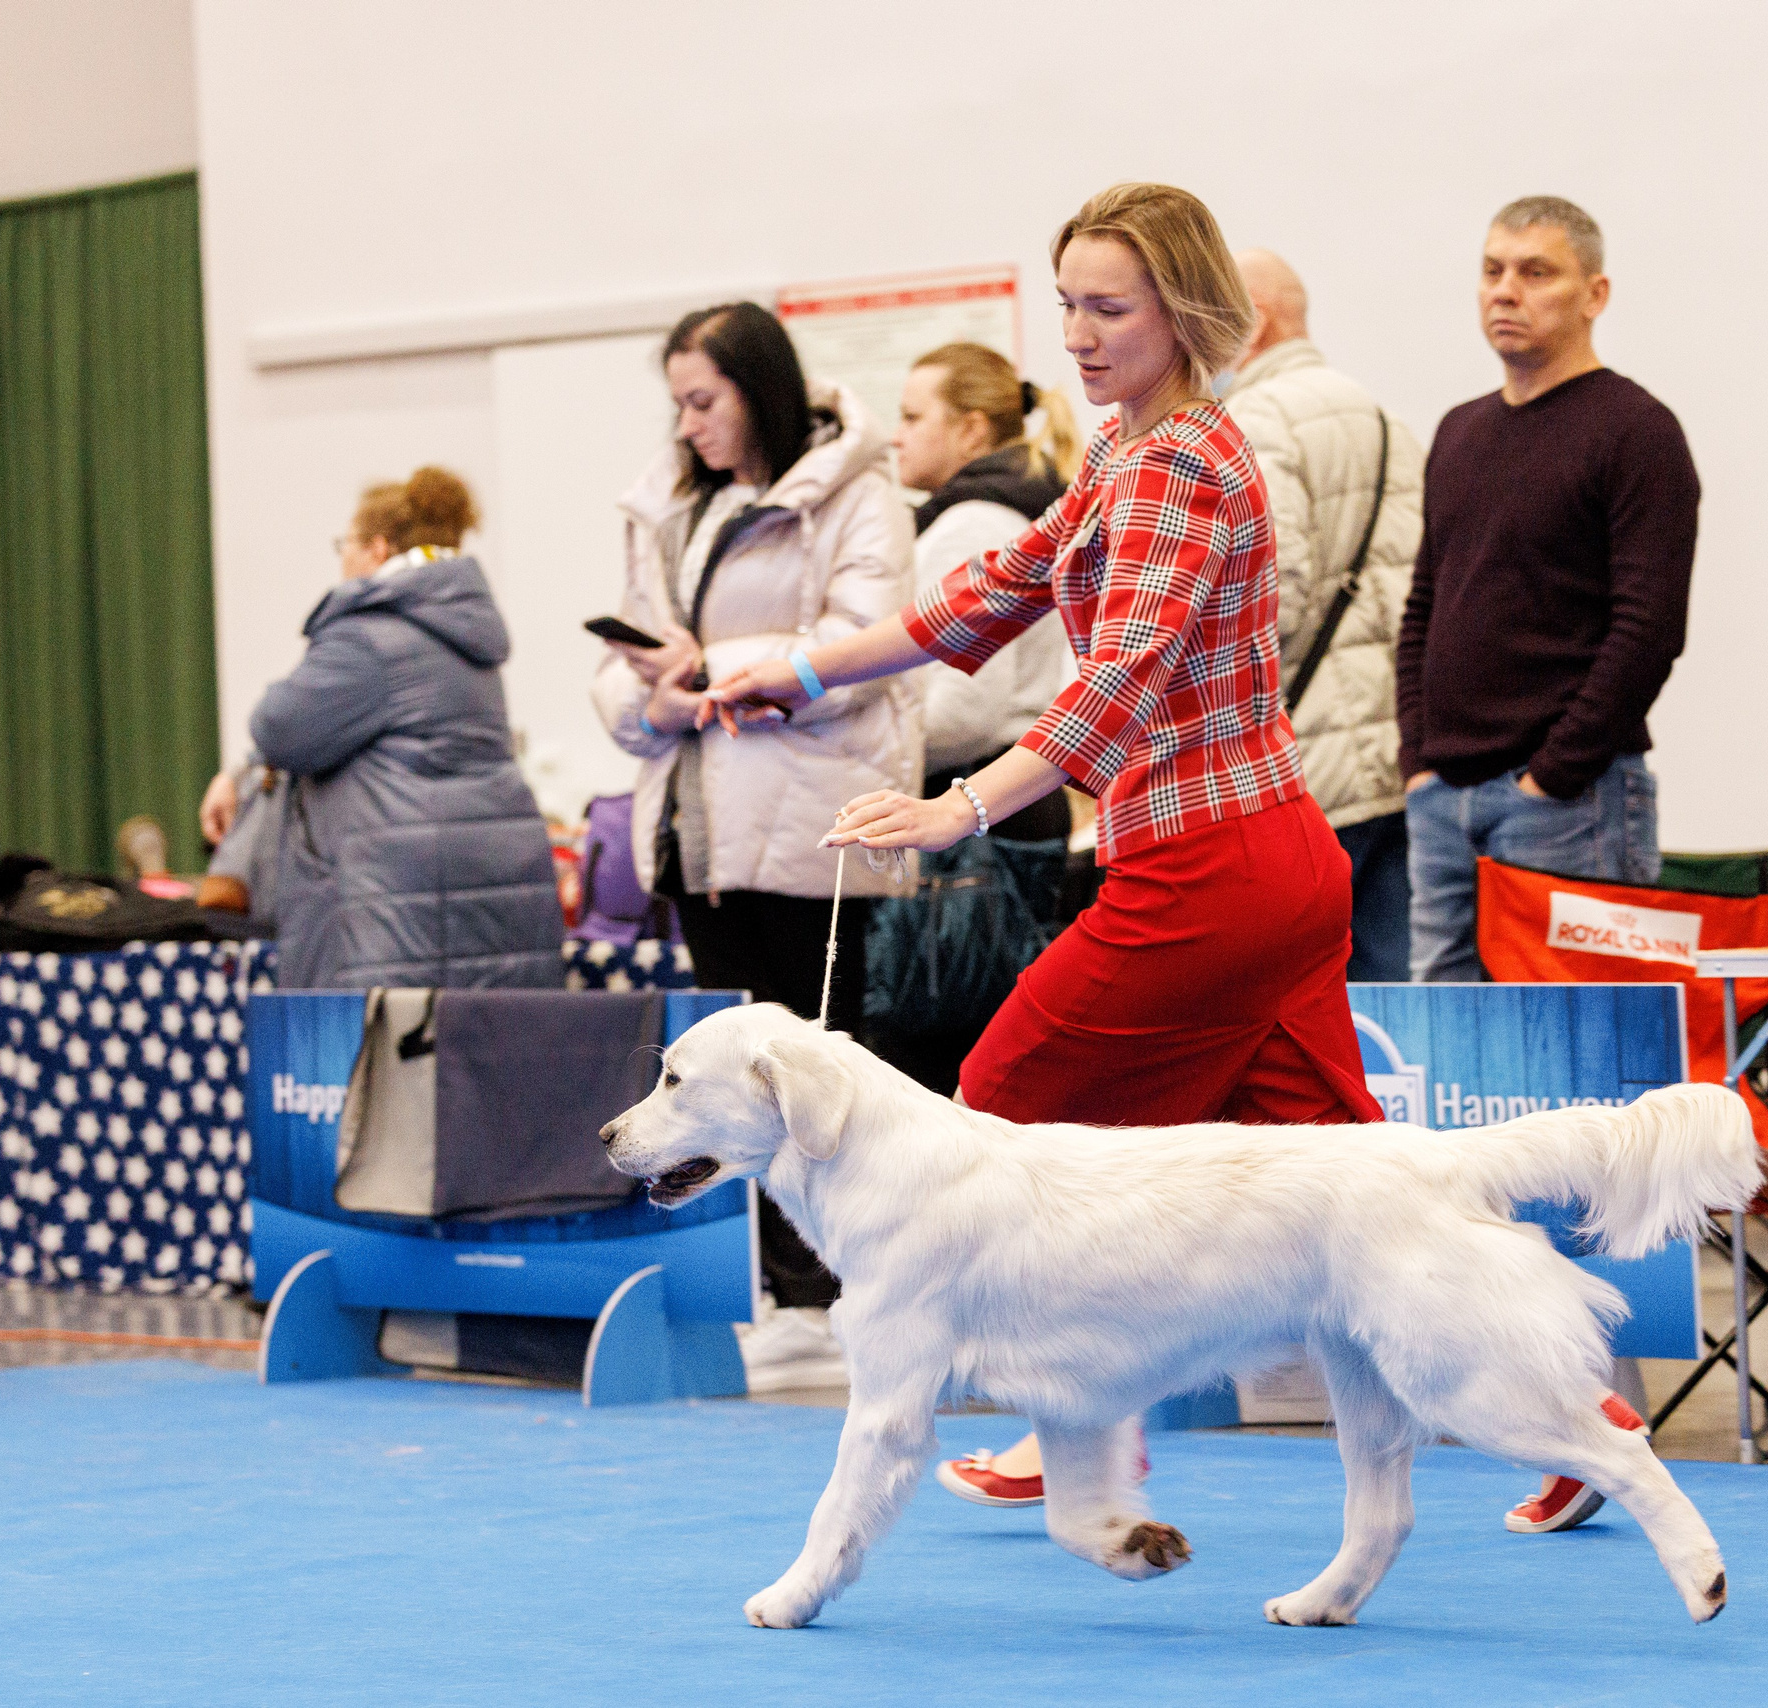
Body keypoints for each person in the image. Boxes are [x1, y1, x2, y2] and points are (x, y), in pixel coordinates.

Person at [701, 182, 1384, 1505]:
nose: (1074, 330)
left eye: (1107, 305)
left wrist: (954, 809)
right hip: (1264, 870)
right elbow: (982, 602)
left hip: (1216, 874)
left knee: (1005, 1103)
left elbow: (1115, 684)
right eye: (1065, 299)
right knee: (1377, 1210)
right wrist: (797, 669)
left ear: (1184, 313)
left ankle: (1079, 1424)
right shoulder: (1124, 450)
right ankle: (1593, 1428)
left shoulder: (1186, 458)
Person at [590, 302, 920, 1391]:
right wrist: (661, 696)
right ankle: (785, 1294)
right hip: (699, 829)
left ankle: (849, 1298)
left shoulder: (856, 491)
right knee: (723, 1097)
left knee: (830, 1084)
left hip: (813, 834)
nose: (687, 426)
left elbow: (869, 642)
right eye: (676, 404)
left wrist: (721, 660)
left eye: (704, 400)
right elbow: (626, 671)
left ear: (759, 389)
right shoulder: (671, 506)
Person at [1396, 196, 1701, 986]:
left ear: (1594, 294)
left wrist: (1554, 774)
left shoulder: (1636, 431)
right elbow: (1426, 604)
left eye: (1536, 273)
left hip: (1571, 803)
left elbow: (1649, 628)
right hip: (1444, 802)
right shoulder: (1461, 430)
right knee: (1450, 1059)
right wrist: (1418, 759)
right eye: (1492, 271)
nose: (1505, 291)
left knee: (1579, 1055)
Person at [240, 467, 563, 990]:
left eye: (345, 543)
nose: (341, 559)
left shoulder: (368, 638)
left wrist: (254, 762)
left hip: (396, 903)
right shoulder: (467, 636)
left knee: (388, 1067)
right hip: (482, 883)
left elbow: (277, 728)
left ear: (377, 549)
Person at [1223, 250, 1422, 981]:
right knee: (1394, 990)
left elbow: (1269, 598)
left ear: (1252, 322)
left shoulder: (1253, 418)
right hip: (1397, 751)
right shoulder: (1382, 414)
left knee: (1310, 993)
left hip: (1310, 759)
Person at [893, 341, 1079, 839]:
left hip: (979, 805)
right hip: (1003, 800)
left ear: (971, 430)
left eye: (912, 419)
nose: (896, 438)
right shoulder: (1007, 509)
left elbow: (964, 711)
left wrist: (859, 751)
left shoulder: (974, 523)